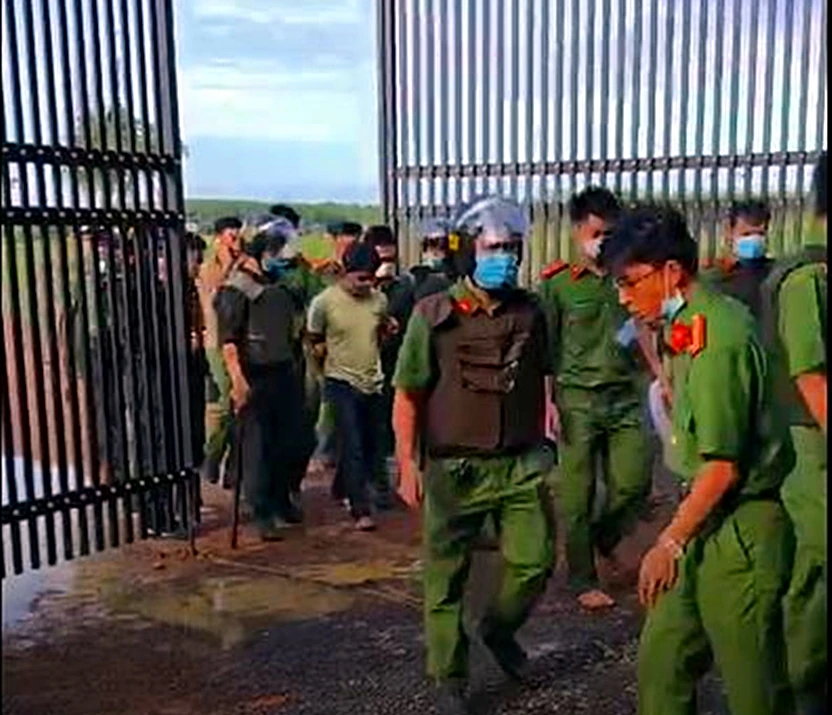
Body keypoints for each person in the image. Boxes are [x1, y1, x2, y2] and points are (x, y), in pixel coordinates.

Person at [600, 204, 795, 715]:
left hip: (741, 530)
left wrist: (669, 541)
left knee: (753, 685)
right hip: (703, 519)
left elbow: (723, 467)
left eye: (629, 282)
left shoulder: (718, 338)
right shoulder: (685, 324)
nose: (623, 297)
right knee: (663, 661)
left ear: (670, 272)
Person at [393, 195, 555, 715]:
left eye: (510, 248)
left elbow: (543, 373)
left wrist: (550, 422)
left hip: (519, 463)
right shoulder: (433, 315)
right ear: (467, 252)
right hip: (454, 468)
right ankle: (450, 676)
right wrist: (407, 464)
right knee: (446, 577)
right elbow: (408, 394)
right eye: (492, 248)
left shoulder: (531, 311)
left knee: (535, 560)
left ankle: (498, 630)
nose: (503, 258)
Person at [536, 186, 651, 610]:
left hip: (624, 397)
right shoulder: (559, 285)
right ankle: (582, 577)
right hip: (576, 401)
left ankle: (605, 537)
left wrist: (662, 381)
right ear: (578, 231)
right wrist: (546, 403)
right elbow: (546, 347)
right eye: (596, 233)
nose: (603, 242)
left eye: (610, 233)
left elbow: (645, 331)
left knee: (634, 483)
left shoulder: (630, 278)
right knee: (577, 495)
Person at [763, 152, 827, 715]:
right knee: (814, 563)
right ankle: (802, 686)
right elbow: (811, 377)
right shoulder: (807, 279)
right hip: (811, 444)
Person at [214, 218, 307, 540]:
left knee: (291, 440)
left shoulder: (279, 287)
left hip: (283, 370)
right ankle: (261, 510)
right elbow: (228, 341)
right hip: (254, 373)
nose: (282, 257)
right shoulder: (237, 289)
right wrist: (238, 381)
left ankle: (282, 499)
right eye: (277, 251)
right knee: (257, 447)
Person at [306, 241, 394, 531]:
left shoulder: (379, 301)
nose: (365, 284)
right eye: (360, 279)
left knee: (367, 443)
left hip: (372, 380)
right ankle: (360, 508)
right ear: (345, 272)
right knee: (353, 442)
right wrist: (321, 372)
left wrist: (388, 330)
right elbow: (313, 339)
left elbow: (380, 332)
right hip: (340, 380)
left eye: (370, 279)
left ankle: (341, 486)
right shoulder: (324, 303)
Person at [364, 224, 414, 508]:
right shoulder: (359, 288)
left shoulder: (405, 286)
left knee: (392, 425)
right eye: (381, 257)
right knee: (370, 428)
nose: (387, 263)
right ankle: (373, 485)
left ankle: (387, 482)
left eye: (390, 257)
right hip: (366, 366)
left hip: (396, 362)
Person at [197, 217, 243, 487]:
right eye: (231, 236)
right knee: (227, 398)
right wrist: (228, 265)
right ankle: (212, 457)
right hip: (216, 340)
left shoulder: (244, 263)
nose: (236, 242)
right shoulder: (210, 267)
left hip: (239, 341)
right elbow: (216, 296)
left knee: (241, 405)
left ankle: (233, 468)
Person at [701, 198, 774, 318]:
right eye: (746, 234)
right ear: (729, 232)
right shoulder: (716, 278)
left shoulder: (774, 273)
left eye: (760, 234)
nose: (754, 240)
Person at [409, 217, 456, 302]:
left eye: (444, 245)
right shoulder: (414, 280)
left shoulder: (456, 278)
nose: (437, 252)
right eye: (433, 244)